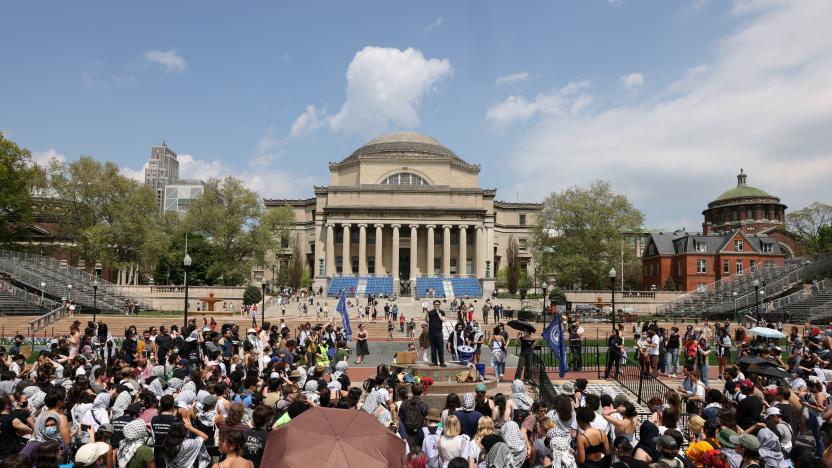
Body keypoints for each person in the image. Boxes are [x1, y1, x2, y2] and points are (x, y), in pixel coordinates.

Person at [425, 300, 447, 367]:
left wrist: (438, 313)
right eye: (435, 304)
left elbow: (443, 319)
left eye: (438, 304)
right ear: (433, 305)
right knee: (433, 348)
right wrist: (426, 313)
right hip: (431, 333)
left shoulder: (442, 312)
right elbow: (427, 320)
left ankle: (442, 362)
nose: (436, 305)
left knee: (440, 348)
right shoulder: (430, 312)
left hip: (439, 333)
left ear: (439, 305)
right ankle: (434, 362)